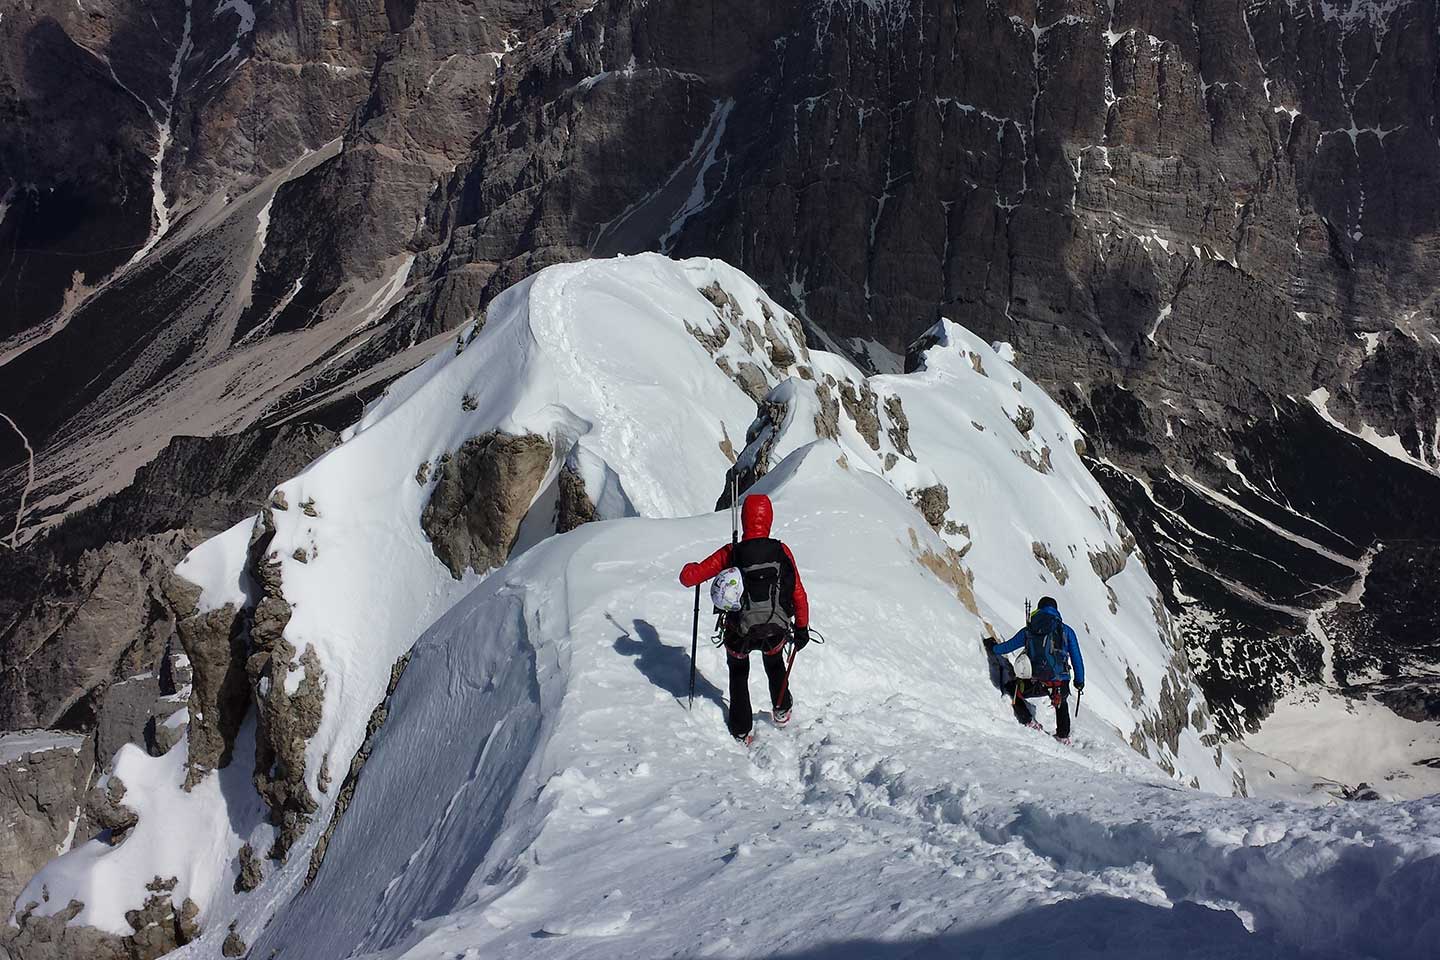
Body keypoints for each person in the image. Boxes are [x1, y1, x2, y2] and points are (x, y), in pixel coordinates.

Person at [678, 494, 810, 743]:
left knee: (738, 673)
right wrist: (802, 627)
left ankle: (741, 729)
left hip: (739, 631)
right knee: (774, 664)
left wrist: (691, 567)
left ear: (744, 519)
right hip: (775, 627)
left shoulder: (732, 552)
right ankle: (782, 710)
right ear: (769, 519)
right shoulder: (781, 551)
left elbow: (689, 578)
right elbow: (798, 592)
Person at [985, 596, 1085, 742]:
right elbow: (1076, 658)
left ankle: (1027, 720)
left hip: (1036, 679)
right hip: (1059, 681)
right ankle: (1063, 736)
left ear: (1039, 609)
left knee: (1012, 688)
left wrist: (992, 647)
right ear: (1055, 610)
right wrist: (1079, 681)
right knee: (1061, 702)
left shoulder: (1030, 629)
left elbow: (1008, 646)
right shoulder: (1066, 631)